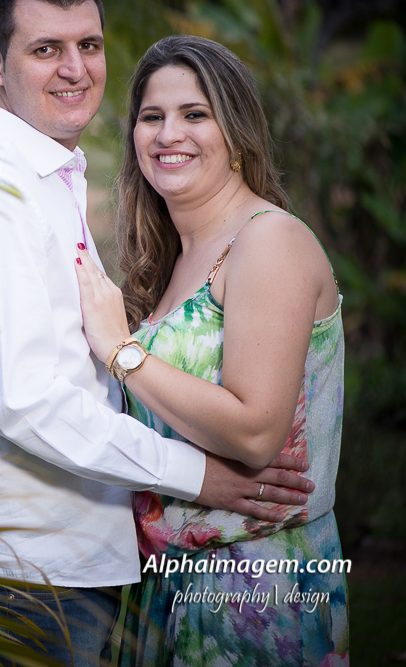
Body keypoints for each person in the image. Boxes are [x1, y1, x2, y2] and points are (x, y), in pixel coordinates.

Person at [0, 0, 315, 667]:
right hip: (17, 581)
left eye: (87, 45)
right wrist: (199, 475)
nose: (74, 68)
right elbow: (22, 401)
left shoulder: (48, 181)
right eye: (45, 49)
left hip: (63, 576)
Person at [72, 35, 349, 665]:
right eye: (152, 116)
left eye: (195, 114)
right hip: (170, 589)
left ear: (237, 133)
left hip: (257, 592)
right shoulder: (175, 261)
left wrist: (122, 352)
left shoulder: (268, 241)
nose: (170, 133)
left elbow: (256, 432)